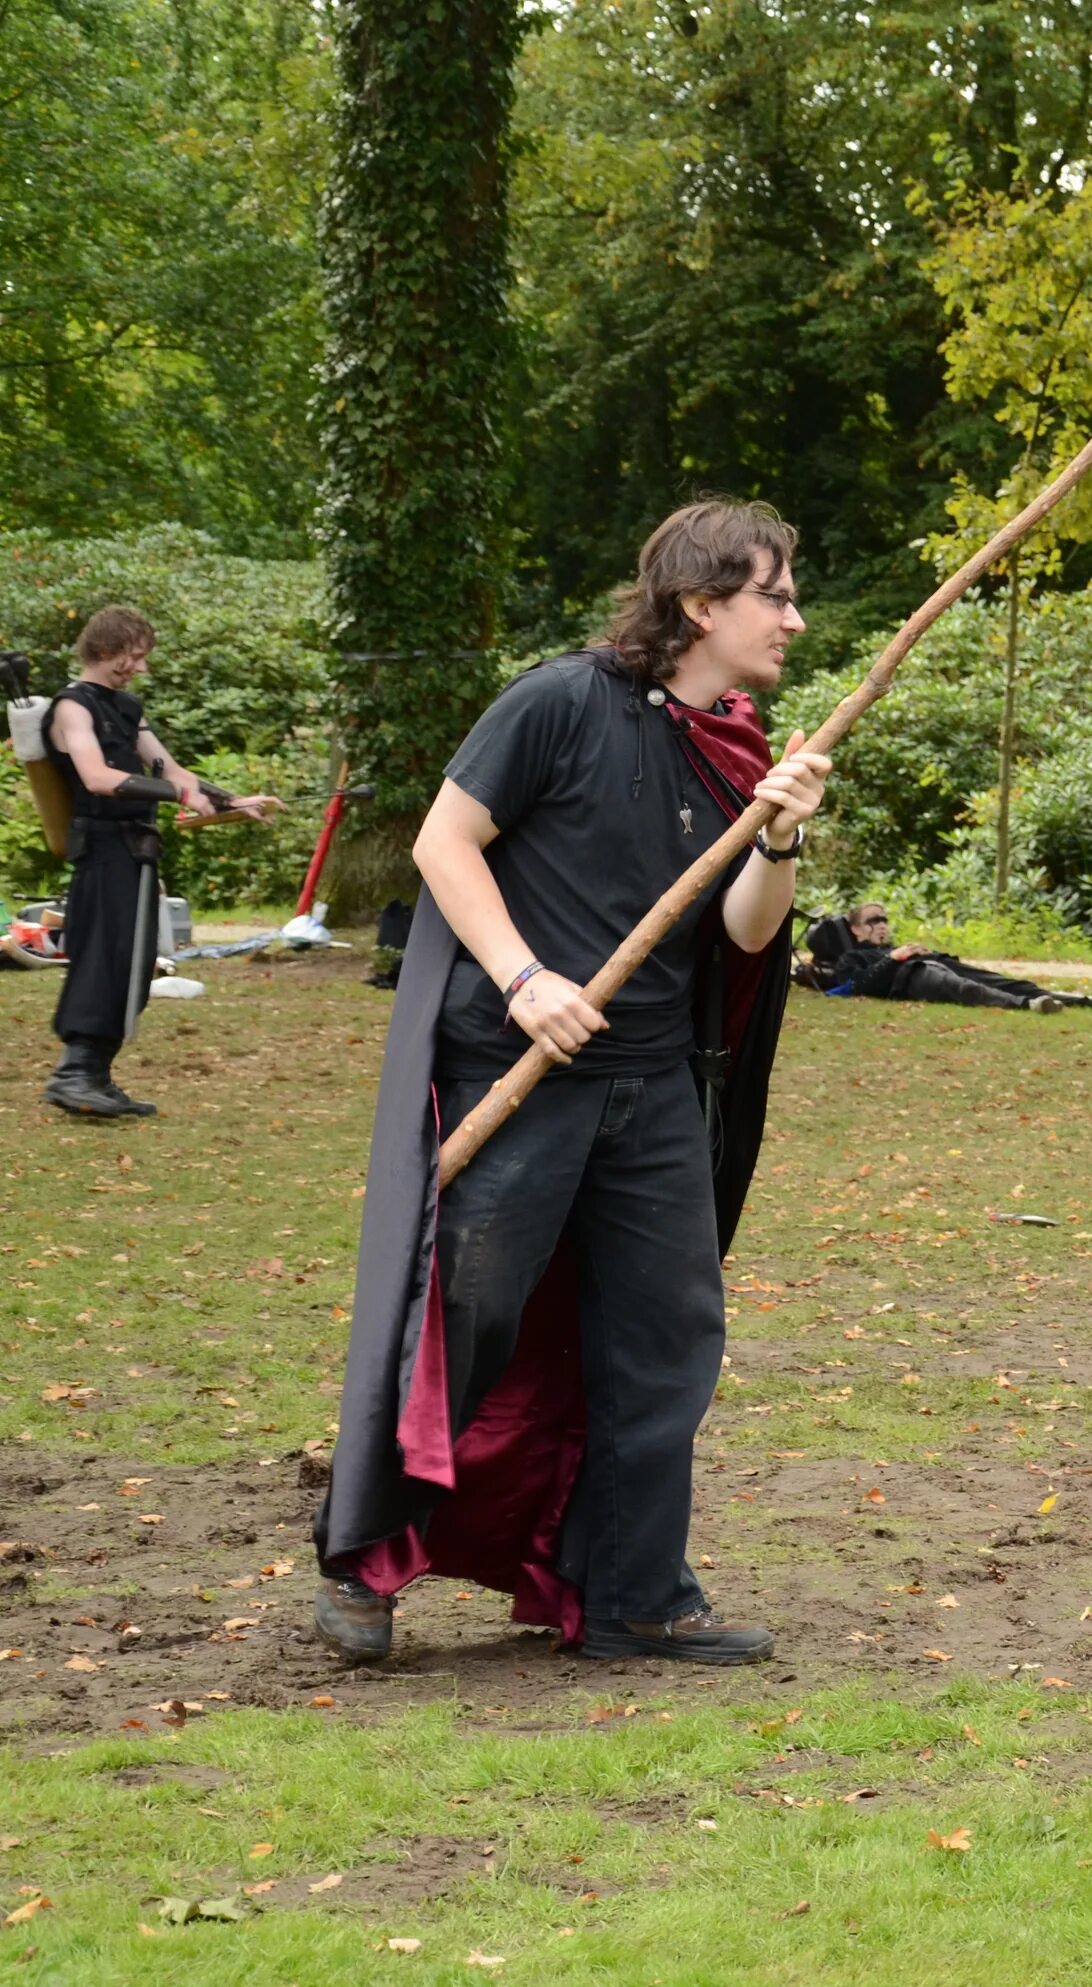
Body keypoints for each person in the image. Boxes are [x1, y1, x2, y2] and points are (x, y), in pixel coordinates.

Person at [313, 500, 831, 1667]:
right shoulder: (558, 700)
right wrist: (525, 978)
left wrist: (781, 839)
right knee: (464, 1320)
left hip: (652, 1087)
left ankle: (630, 1595)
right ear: (701, 604)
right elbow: (442, 844)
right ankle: (360, 1557)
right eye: (775, 594)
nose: (794, 617)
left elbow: (744, 940)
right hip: (521, 1068)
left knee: (665, 1335)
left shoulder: (739, 743)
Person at [37, 607, 279, 1116]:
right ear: (106, 649)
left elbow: (171, 768)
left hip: (136, 851)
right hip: (101, 850)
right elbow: (97, 777)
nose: (141, 668)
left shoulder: (125, 706)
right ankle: (73, 1073)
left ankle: (98, 1076)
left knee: (133, 960)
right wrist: (178, 795)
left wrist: (233, 802)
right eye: (135, 656)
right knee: (103, 957)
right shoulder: (71, 708)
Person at [800, 903, 1092, 1013]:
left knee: (1011, 982)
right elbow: (857, 987)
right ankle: (1029, 1006)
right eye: (874, 920)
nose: (882, 925)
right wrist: (896, 958)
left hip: (930, 964)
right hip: (912, 977)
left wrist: (925, 952)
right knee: (963, 988)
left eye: (884, 919)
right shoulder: (851, 960)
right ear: (856, 929)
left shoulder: (889, 946)